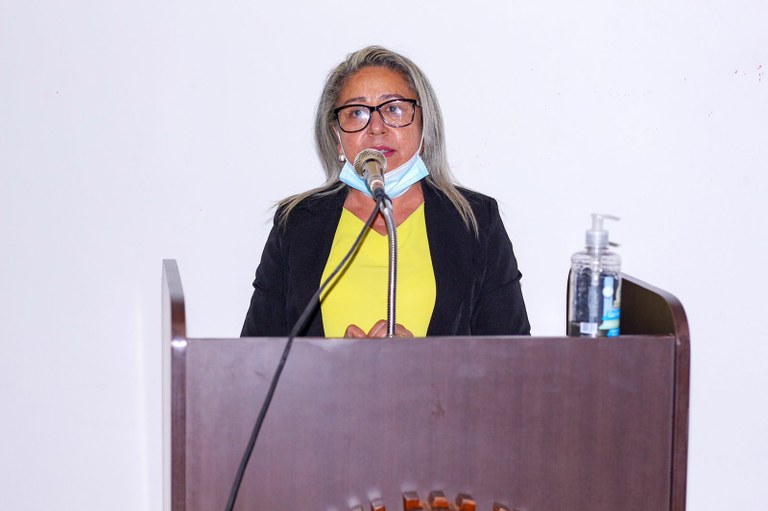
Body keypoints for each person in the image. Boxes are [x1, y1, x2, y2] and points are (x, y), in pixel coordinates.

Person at [241, 46, 530, 338]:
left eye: (393, 109)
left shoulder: (476, 221)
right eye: (356, 113)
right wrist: (333, 359)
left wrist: (424, 359)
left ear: (424, 126)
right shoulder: (297, 223)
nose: (376, 128)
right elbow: (256, 356)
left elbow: (514, 357)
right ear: (337, 137)